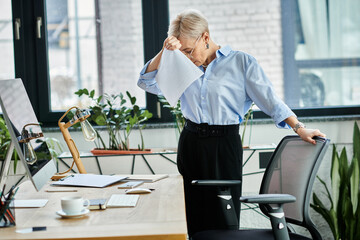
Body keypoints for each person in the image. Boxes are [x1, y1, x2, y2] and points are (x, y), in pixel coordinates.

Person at [137, 9, 326, 237]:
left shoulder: (241, 63)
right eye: (182, 52)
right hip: (191, 143)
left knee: (222, 216)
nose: (186, 57)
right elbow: (146, 82)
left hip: (224, 144)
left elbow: (271, 101)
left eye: (189, 50)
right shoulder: (181, 64)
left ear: (205, 37)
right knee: (191, 216)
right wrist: (166, 51)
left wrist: (299, 127)